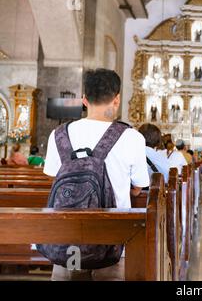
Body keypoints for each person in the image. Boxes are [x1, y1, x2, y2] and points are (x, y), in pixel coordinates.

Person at [44, 68, 150, 281]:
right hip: (113, 239)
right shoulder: (132, 138)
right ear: (117, 100)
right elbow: (139, 186)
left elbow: (52, 178)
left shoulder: (59, 134)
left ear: (84, 99)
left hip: (67, 238)